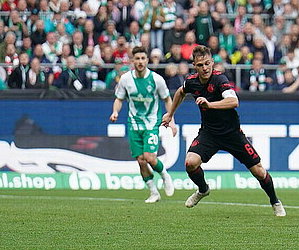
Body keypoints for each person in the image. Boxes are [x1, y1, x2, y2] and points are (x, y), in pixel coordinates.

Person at [161, 46, 284, 215]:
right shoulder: (191, 81)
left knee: (259, 171)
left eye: (207, 63)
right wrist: (170, 113)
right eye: (200, 65)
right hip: (209, 134)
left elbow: (234, 101)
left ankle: (275, 201)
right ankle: (203, 190)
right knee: (190, 162)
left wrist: (209, 105)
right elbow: (181, 92)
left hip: (232, 134)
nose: (205, 68)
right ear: (194, 66)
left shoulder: (220, 80)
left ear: (212, 62)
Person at [110, 46, 177, 203]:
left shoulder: (156, 80)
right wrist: (115, 112)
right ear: (133, 61)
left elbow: (167, 100)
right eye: (137, 59)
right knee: (140, 160)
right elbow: (119, 99)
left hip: (152, 123)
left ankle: (165, 176)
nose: (140, 62)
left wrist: (172, 121)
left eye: (142, 58)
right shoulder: (126, 79)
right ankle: (154, 192)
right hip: (134, 124)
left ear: (147, 60)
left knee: (150, 157)